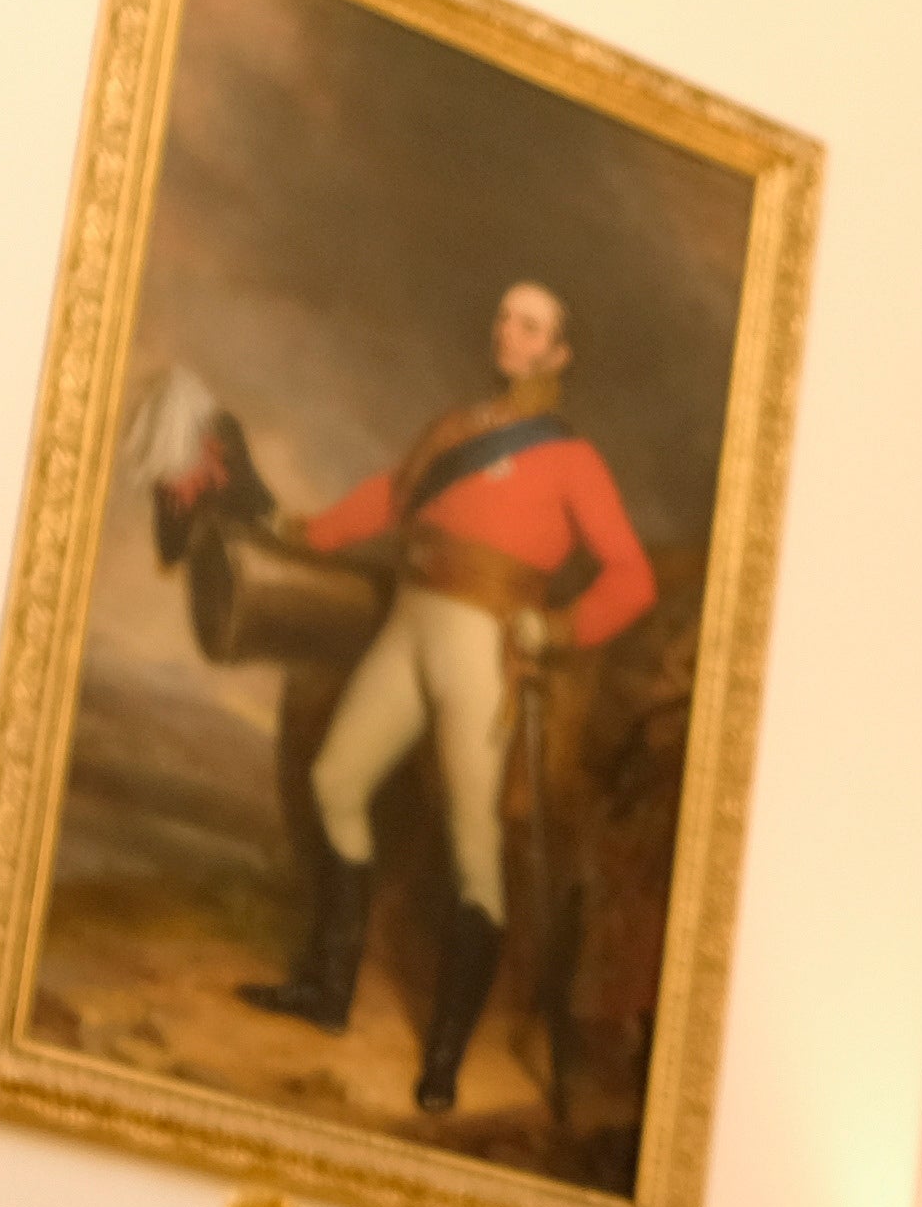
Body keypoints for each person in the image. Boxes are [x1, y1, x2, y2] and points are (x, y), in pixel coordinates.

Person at [236, 280, 657, 1115]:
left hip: (482, 646)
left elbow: (631, 578)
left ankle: (443, 1060)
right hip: (410, 622)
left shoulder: (572, 459)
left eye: (530, 325)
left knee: (475, 849)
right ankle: (328, 989)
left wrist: (561, 630)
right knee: (337, 782)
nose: (509, 330)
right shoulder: (454, 431)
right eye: (504, 314)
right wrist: (309, 532)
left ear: (558, 354)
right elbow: (394, 500)